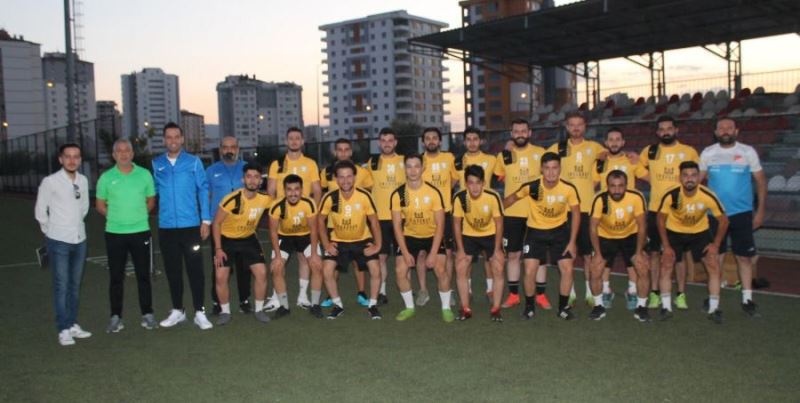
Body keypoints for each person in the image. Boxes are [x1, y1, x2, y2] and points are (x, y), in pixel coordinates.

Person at [700, 117, 766, 317]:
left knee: (744, 258)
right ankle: (714, 299)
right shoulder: (708, 153)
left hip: (741, 214)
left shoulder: (747, 152)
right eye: (721, 128)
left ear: (736, 131)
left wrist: (760, 211)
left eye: (729, 127)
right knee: (715, 258)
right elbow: (697, 182)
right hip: (715, 215)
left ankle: (747, 300)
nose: (725, 130)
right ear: (716, 132)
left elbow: (761, 182)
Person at [503, 152, 580, 320]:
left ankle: (563, 308)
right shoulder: (532, 187)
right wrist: (496, 211)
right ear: (541, 169)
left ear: (560, 169)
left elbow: (576, 213)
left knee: (567, 269)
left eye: (554, 168)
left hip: (560, 232)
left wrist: (572, 241)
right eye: (547, 168)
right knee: (529, 271)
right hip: (535, 232)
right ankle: (529, 307)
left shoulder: (568, 188)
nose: (551, 172)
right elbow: (511, 199)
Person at [152, 122, 213, 330]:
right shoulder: (156, 164)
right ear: (164, 140)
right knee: (173, 271)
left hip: (190, 227)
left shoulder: (194, 162)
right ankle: (178, 310)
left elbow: (203, 190)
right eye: (169, 137)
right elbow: (152, 193)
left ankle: (199, 312)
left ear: (182, 139)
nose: (173, 140)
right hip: (167, 228)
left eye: (176, 136)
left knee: (195, 270)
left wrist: (205, 220)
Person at [637, 116, 699, 310]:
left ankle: (680, 294)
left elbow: (696, 175)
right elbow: (637, 168)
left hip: (679, 211)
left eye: (669, 128)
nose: (666, 132)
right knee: (655, 253)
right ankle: (655, 293)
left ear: (676, 130)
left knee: (678, 256)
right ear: (657, 133)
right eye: (662, 129)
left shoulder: (688, 151)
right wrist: (653, 180)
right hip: (656, 209)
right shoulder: (650, 151)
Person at [96, 138, 157, 333]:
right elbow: (100, 205)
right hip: (115, 233)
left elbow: (151, 200)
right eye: (119, 151)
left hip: (140, 232)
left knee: (143, 275)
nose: (123, 154)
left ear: (132, 153)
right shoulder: (106, 178)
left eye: (127, 150)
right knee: (116, 277)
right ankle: (116, 317)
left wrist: (139, 216)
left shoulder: (144, 174)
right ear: (114, 155)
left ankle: (147, 314)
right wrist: (117, 218)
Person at [547, 111, 607, 307]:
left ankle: (589, 292)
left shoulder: (594, 147)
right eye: (572, 124)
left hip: (587, 209)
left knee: (588, 254)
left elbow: (610, 156)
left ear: (585, 126)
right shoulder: (557, 148)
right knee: (567, 255)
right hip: (563, 211)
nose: (575, 128)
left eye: (579, 124)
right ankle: (570, 292)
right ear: (567, 127)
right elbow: (539, 162)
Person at [35, 143, 92, 346]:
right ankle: (63, 329)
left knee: (74, 285)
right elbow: (40, 211)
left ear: (80, 159)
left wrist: (75, 225)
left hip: (79, 239)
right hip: (58, 240)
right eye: (68, 156)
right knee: (62, 285)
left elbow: (84, 207)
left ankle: (72, 323)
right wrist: (50, 230)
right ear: (60, 159)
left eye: (76, 156)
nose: (72, 160)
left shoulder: (83, 180)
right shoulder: (50, 182)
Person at [657, 161, 728, 323]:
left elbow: (724, 221)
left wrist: (715, 245)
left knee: (713, 264)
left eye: (693, 175)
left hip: (699, 233)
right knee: (666, 264)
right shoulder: (671, 194)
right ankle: (666, 308)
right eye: (686, 175)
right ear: (680, 178)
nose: (689, 179)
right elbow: (660, 220)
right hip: (674, 232)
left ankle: (714, 309)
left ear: (699, 177)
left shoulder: (707, 195)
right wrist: (666, 246)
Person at [318, 160, 383, 320]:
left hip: (362, 240)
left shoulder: (364, 196)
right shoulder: (330, 197)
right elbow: (320, 221)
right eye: (341, 177)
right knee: (326, 270)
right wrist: (326, 244)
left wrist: (378, 245)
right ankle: (338, 305)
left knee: (375, 269)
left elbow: (374, 222)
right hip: (339, 241)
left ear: (354, 177)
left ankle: (372, 305)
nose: (345, 180)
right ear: (336, 179)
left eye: (349, 176)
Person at [390, 154, 450, 322]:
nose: (413, 170)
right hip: (410, 236)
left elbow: (440, 225)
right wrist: (405, 251)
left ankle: (446, 308)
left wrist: (433, 253)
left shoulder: (433, 192)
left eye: (417, 166)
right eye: (409, 166)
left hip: (432, 235)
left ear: (423, 168)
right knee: (400, 270)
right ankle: (409, 307)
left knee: (440, 269)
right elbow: (397, 226)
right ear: (404, 169)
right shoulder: (398, 194)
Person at [267, 127, 322, 310]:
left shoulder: (310, 163)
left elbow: (317, 191)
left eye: (297, 138)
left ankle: (303, 297)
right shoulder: (277, 164)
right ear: (286, 141)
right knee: (277, 263)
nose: (294, 141)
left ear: (302, 141)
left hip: (304, 219)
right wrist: (279, 213)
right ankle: (276, 299)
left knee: (304, 259)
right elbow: (271, 191)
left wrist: (310, 212)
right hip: (284, 220)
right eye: (291, 138)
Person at [493, 119, 546, 309]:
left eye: (524, 131)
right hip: (512, 212)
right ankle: (514, 295)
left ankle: (541, 296)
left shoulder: (540, 153)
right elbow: (497, 177)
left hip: (536, 213)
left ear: (529, 133)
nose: (520, 134)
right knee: (513, 255)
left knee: (539, 256)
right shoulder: (504, 155)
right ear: (511, 134)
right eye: (516, 131)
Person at [211, 163, 273, 325]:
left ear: (261, 181)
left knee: (262, 273)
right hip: (227, 240)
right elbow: (216, 223)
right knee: (220, 276)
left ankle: (259, 310)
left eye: (256, 177)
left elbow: (282, 203)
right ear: (243, 179)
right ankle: (225, 312)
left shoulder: (265, 199)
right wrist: (218, 249)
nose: (252, 180)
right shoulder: (231, 199)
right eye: (249, 176)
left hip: (248, 239)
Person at [592, 127, 644, 310]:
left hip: (629, 218)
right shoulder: (600, 162)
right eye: (611, 139)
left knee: (632, 261)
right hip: (606, 220)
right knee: (605, 261)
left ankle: (632, 291)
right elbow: (591, 184)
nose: (614, 142)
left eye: (617, 139)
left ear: (623, 142)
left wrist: (640, 159)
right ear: (606, 143)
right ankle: (606, 290)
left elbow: (650, 177)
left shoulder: (632, 160)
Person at [588, 170, 650, 321]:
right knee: (595, 269)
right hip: (605, 236)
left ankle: (641, 307)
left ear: (626, 185)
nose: (617, 190)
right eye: (613, 186)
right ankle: (598, 306)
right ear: (607, 186)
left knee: (642, 266)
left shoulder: (636, 197)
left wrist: (639, 252)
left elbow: (642, 226)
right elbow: (593, 227)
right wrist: (597, 254)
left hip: (630, 235)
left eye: (621, 186)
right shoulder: (600, 199)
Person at [319, 138, 374, 307]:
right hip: (334, 225)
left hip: (356, 224)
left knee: (359, 262)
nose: (343, 153)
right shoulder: (327, 172)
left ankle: (361, 293)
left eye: (346, 149)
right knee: (334, 262)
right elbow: (324, 193)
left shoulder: (362, 172)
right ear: (335, 152)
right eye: (339, 149)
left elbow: (368, 192)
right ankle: (331, 295)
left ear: (351, 151)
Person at [453, 165, 505, 322]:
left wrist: (497, 249)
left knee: (498, 266)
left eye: (478, 183)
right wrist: (460, 249)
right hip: (469, 235)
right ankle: (465, 308)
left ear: (483, 183)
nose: (474, 187)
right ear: (466, 183)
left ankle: (496, 308)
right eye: (471, 183)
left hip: (490, 234)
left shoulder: (492, 196)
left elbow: (499, 224)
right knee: (461, 266)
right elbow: (456, 224)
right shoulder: (460, 197)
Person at [206, 135, 251, 315]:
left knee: (244, 266)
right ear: (220, 149)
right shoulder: (211, 171)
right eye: (225, 147)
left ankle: (244, 300)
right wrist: (206, 221)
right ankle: (218, 302)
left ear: (238, 149)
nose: (229, 150)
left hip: (242, 226)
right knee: (219, 266)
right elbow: (207, 196)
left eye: (232, 147)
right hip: (220, 227)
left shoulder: (247, 169)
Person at [268, 174, 323, 318]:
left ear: (302, 190)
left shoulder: (309, 203)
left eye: (296, 189)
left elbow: (314, 229)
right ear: (284, 190)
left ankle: (315, 305)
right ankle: (284, 306)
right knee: (277, 268)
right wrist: (277, 257)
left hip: (305, 236)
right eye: (289, 189)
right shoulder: (276, 205)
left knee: (317, 265)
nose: (293, 193)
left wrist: (314, 254)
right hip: (284, 237)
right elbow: (273, 232)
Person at [455, 127, 497, 301]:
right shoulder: (458, 162)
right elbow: (450, 182)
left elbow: (504, 174)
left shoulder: (492, 159)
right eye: (469, 139)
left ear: (481, 141)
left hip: (488, 214)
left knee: (489, 257)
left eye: (475, 139)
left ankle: (490, 290)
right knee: (467, 257)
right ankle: (469, 290)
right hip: (466, 214)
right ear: (464, 142)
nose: (472, 142)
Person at [366, 128, 406, 306]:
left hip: (401, 217)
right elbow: (366, 185)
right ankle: (382, 292)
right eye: (383, 140)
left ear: (395, 142)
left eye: (390, 140)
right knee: (381, 256)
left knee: (403, 257)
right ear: (379, 143)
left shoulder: (404, 161)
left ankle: (406, 289)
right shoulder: (372, 162)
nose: (387, 143)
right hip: (380, 218)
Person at [420, 127, 459, 306]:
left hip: (445, 212)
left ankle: (447, 290)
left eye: (434, 138)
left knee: (448, 253)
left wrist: (445, 191)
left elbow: (455, 178)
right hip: (424, 214)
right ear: (423, 142)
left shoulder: (449, 158)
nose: (431, 141)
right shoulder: (419, 161)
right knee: (422, 253)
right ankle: (423, 291)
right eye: (427, 138)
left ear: (440, 141)